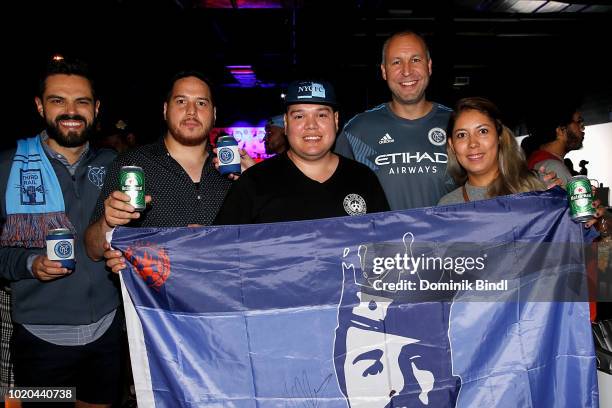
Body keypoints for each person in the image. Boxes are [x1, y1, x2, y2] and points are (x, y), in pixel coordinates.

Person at [0, 58, 121, 407]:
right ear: (40, 106)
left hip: (107, 329)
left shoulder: (112, 165)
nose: (71, 111)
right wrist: (29, 263)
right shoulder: (7, 167)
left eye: (82, 101)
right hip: (39, 339)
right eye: (58, 100)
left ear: (96, 109)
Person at [85, 71, 234, 263]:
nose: (191, 111)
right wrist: (108, 222)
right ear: (165, 110)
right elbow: (92, 249)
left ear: (213, 114)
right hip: (156, 293)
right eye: (181, 101)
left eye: (201, 103)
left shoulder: (233, 174)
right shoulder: (132, 166)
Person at [214, 80, 389, 224]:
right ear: (286, 123)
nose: (311, 125)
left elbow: (386, 249)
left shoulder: (363, 178)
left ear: (335, 121)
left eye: (321, 115)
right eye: (299, 116)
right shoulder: (253, 183)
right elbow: (223, 248)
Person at [335, 30, 455, 210]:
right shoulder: (357, 131)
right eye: (396, 62)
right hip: (382, 238)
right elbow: (335, 194)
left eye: (415, 60)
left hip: (449, 237)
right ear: (384, 71)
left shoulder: (456, 125)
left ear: (429, 66)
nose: (407, 71)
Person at [438, 97, 546, 205]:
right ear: (452, 145)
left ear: (499, 137)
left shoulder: (537, 188)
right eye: (461, 135)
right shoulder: (448, 206)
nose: (473, 143)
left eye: (482, 131)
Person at [521, 101, 586, 186]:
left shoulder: (535, 161)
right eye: (578, 122)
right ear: (561, 131)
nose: (583, 128)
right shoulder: (554, 169)